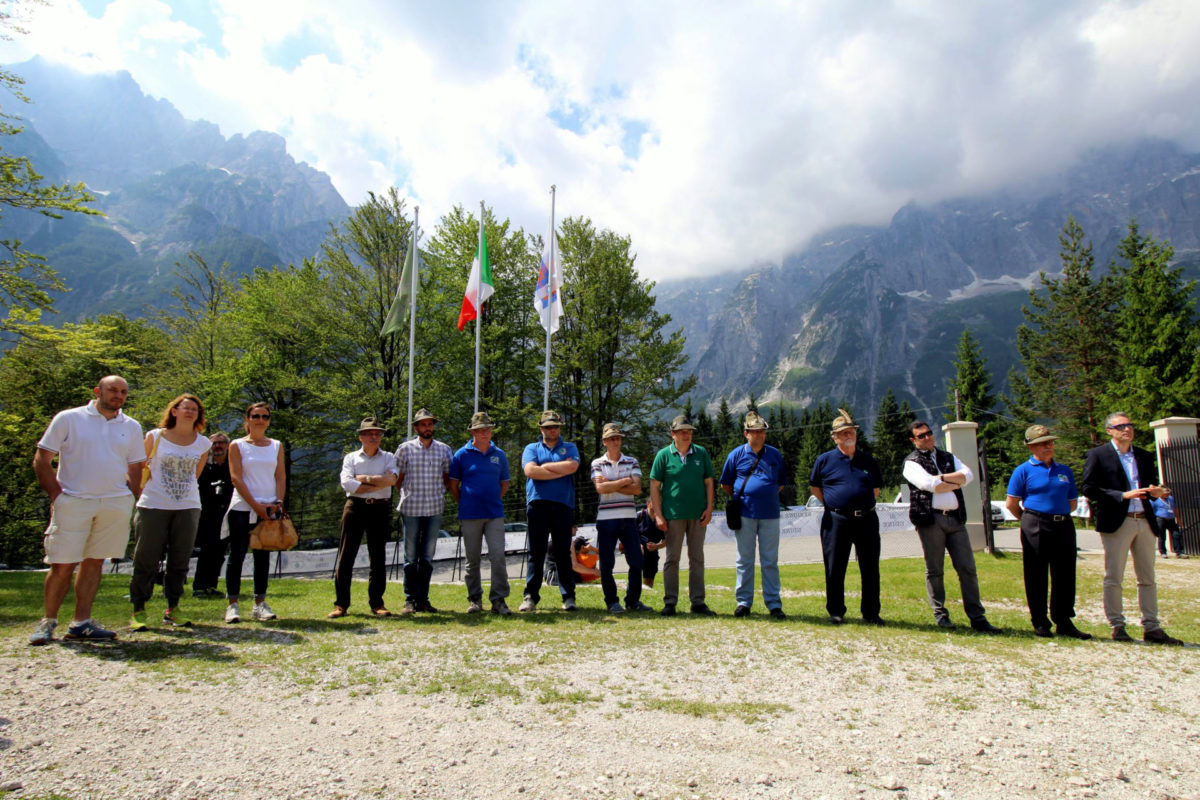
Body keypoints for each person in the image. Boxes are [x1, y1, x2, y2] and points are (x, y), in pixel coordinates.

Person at [29, 376, 145, 645]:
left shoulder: (131, 425)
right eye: (112, 390)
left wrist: (132, 495)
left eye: (123, 392)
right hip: (74, 500)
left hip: (114, 502)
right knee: (62, 563)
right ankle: (48, 622)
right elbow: (42, 459)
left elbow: (135, 465)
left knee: (95, 562)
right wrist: (56, 495)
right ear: (97, 391)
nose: (118, 395)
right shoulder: (69, 418)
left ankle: (81, 623)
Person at [1081, 412, 1182, 645]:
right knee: (1114, 576)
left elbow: (1154, 487)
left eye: (1130, 425)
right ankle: (1117, 625)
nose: (1127, 429)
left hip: (1145, 520)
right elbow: (1089, 488)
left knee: (1147, 577)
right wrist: (1122, 495)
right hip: (1118, 521)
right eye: (1121, 426)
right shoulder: (1098, 455)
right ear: (1109, 431)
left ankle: (1152, 627)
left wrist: (1158, 492)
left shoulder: (1144, 456)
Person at [901, 420, 1000, 633]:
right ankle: (941, 614)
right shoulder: (911, 462)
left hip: (955, 518)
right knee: (935, 569)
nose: (927, 437)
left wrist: (942, 478)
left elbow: (969, 475)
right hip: (930, 520)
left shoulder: (947, 457)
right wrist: (955, 481)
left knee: (967, 567)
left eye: (929, 433)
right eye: (921, 436)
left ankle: (977, 617)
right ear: (913, 440)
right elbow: (929, 485)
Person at [129, 394, 212, 631]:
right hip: (153, 504)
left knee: (180, 559)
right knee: (145, 557)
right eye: (186, 407)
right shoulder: (155, 436)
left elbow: (196, 474)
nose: (190, 412)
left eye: (195, 409)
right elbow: (140, 466)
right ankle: (138, 609)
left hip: (188, 505)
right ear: (174, 411)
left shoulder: (203, 443)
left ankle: (173, 608)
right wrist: (140, 493)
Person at [1005, 424, 1091, 640]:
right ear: (1030, 447)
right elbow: (1012, 503)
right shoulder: (1023, 471)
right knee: (1036, 573)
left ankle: (1064, 620)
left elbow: (1072, 502)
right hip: (1036, 523)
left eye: (1050, 442)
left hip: (1063, 523)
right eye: (1042, 443)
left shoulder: (1064, 471)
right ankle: (1040, 621)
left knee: (1065, 573)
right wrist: (1029, 519)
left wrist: (1057, 514)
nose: (1048, 446)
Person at [809, 408, 884, 626]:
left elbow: (876, 490)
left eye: (851, 432)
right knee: (834, 567)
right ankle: (836, 611)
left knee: (870, 567)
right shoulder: (824, 460)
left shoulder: (868, 460)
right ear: (835, 437)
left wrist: (858, 503)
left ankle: (871, 613)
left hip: (867, 519)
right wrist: (835, 505)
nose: (848, 435)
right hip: (836, 520)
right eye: (843, 433)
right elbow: (815, 488)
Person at [329, 417, 399, 618]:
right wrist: (378, 482)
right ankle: (341, 604)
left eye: (377, 434)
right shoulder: (351, 458)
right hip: (355, 507)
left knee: (378, 557)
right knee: (346, 555)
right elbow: (347, 484)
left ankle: (377, 603)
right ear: (361, 437)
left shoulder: (388, 457)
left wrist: (364, 479)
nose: (374, 437)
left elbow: (392, 480)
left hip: (380, 508)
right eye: (369, 434)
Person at [719, 411, 786, 619]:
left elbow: (781, 483)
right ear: (746, 433)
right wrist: (747, 495)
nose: (759, 435)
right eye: (755, 432)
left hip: (770, 514)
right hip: (745, 514)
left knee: (770, 560)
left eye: (762, 432)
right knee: (744, 560)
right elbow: (725, 484)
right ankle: (743, 602)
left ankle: (774, 604)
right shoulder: (736, 455)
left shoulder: (775, 454)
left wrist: (764, 494)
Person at [225, 402, 286, 624]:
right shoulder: (237, 445)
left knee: (262, 557)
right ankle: (232, 604)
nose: (260, 420)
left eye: (265, 416)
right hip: (242, 506)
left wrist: (278, 502)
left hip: (268, 506)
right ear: (247, 419)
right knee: (237, 555)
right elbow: (236, 478)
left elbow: (280, 476)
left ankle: (260, 603)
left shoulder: (276, 445)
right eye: (256, 416)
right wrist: (255, 505)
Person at [649, 414, 716, 617]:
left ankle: (698, 602)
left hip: (698, 515)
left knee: (697, 559)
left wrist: (709, 508)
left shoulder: (701, 453)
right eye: (682, 432)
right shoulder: (663, 455)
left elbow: (709, 482)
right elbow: (654, 486)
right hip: (673, 516)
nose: (687, 435)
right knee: (672, 559)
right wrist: (658, 515)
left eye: (689, 431)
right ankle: (670, 602)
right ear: (673, 434)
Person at [448, 412, 512, 614]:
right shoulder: (461, 455)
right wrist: (465, 501)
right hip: (469, 514)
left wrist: (492, 499)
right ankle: (474, 599)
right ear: (473, 432)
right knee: (472, 559)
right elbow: (453, 484)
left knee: (498, 556)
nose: (485, 432)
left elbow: (505, 483)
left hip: (494, 514)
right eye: (480, 430)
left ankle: (499, 600)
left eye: (488, 429)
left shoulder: (499, 454)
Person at [520, 410, 581, 612]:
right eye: (547, 427)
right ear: (541, 429)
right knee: (535, 553)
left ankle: (568, 597)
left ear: (559, 428)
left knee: (563, 553)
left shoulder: (570, 447)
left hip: (563, 505)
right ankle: (530, 596)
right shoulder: (531, 448)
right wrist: (558, 470)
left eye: (555, 426)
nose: (551, 430)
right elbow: (530, 471)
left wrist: (544, 467)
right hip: (537, 505)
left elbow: (572, 467)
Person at [394, 408, 452, 614]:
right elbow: (397, 478)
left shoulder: (444, 449)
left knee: (427, 555)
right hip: (411, 507)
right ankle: (410, 599)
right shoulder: (405, 449)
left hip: (434, 508)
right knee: (410, 556)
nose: (427, 428)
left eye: (430, 424)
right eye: (423, 425)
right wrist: (406, 494)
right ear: (416, 427)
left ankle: (423, 599)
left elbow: (448, 477)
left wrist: (440, 492)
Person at [590, 422, 651, 613]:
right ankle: (611, 601)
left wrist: (611, 483)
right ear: (604, 441)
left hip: (628, 518)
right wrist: (625, 481)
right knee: (607, 563)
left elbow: (637, 489)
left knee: (636, 561)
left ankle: (633, 601)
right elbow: (600, 488)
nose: (616, 441)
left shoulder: (632, 461)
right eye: (611, 438)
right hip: (606, 520)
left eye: (618, 438)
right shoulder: (597, 463)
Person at [192, 431, 232, 597]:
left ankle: (211, 585)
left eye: (221, 443)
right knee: (206, 550)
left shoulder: (233, 466)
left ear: (228, 445)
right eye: (214, 443)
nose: (217, 446)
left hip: (227, 514)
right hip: (208, 514)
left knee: (220, 552)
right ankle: (199, 587)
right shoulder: (204, 466)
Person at [635, 498, 665, 589]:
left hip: (652, 552)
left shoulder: (662, 519)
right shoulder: (639, 516)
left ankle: (647, 592)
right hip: (638, 551)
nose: (657, 505)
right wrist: (637, 545)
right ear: (648, 503)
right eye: (655, 502)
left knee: (649, 581)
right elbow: (629, 533)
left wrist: (657, 546)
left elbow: (667, 540)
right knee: (635, 576)